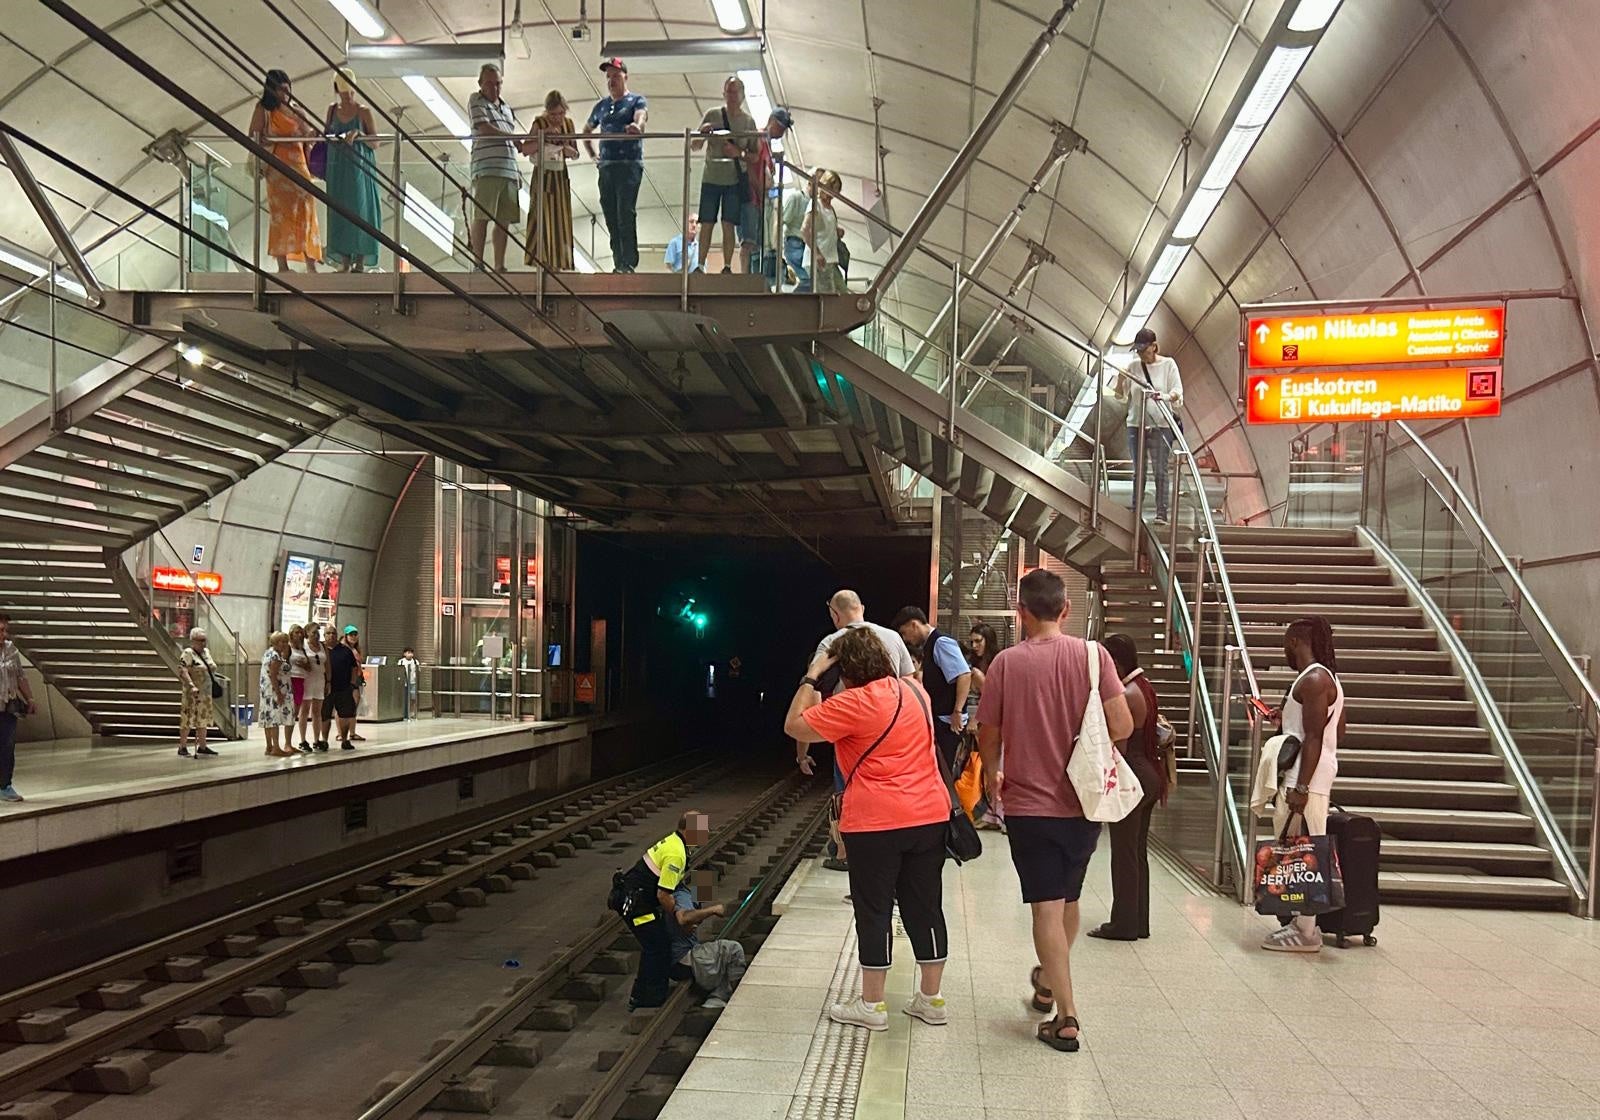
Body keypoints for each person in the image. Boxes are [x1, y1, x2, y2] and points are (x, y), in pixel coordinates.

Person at [975, 568, 1133, 1053]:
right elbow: (1122, 723)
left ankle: (1067, 1016)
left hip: (1028, 805)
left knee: (1045, 906)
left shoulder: (1004, 664)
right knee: (1067, 899)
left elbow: (989, 732)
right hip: (1083, 802)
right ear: (1066, 610)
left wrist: (991, 774)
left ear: (1020, 612)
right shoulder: (1093, 655)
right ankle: (1047, 979)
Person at [786, 627, 951, 1031]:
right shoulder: (917, 693)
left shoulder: (852, 703)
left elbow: (795, 725)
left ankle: (873, 1005)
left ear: (845, 668)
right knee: (926, 906)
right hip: (929, 815)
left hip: (876, 822)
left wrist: (812, 675)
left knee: (874, 909)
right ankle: (931, 1000)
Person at [806, 590, 917, 873]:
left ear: (834, 614)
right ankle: (887, 842)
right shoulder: (892, 637)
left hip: (849, 726)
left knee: (849, 786)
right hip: (893, 724)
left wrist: (804, 746)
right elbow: (910, 680)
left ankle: (847, 849)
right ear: (862, 608)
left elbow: (815, 689)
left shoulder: (831, 642)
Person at [1262, 615, 1346, 953]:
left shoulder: (1312, 680)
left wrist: (1302, 786)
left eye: (1287, 641)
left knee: (1305, 849)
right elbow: (1336, 731)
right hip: (1316, 771)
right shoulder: (1327, 679)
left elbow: (1313, 737)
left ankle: (1308, 930)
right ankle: (1299, 922)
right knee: (1299, 846)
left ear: (1295, 641)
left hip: (1305, 776)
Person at [1087, 633, 1168, 941]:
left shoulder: (1125, 692)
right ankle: (1138, 921)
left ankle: (1122, 924)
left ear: (1115, 662)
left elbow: (1117, 744)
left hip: (1131, 775)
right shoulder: (1144, 687)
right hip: (1149, 774)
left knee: (1123, 854)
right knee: (1136, 853)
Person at [617, 810, 710, 1010]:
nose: (707, 832)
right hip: (636, 905)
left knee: (657, 944)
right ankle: (646, 998)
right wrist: (679, 916)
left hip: (637, 897)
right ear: (690, 830)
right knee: (657, 946)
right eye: (703, 829)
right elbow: (663, 895)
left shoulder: (676, 842)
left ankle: (649, 992)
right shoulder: (677, 854)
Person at [1107, 327, 1184, 522]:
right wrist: (1120, 379)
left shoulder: (1168, 365)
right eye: (1139, 351)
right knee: (1138, 470)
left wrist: (1163, 396)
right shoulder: (1133, 366)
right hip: (1136, 425)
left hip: (1161, 425)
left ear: (1154, 347)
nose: (1141, 354)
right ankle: (1135, 511)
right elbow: (1120, 397)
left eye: (1144, 350)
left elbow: (1177, 392)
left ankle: (1161, 513)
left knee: (1160, 469)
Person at [248, 69, 321, 272]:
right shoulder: (264, 109)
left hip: (300, 166)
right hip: (277, 167)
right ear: (272, 90)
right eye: (281, 90)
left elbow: (308, 138)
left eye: (288, 90)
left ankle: (310, 263)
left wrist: (313, 136)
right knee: (281, 214)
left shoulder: (297, 110)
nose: (285, 95)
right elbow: (254, 134)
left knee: (307, 208)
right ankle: (283, 264)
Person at [583, 58, 647, 274]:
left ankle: (628, 262)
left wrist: (636, 127)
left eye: (616, 76)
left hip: (628, 165)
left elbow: (641, 117)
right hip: (607, 166)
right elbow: (586, 132)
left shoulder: (636, 101)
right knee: (610, 214)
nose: (612, 81)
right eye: (609, 77)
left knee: (624, 213)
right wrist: (593, 156)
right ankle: (618, 261)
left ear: (625, 77)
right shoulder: (601, 106)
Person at [890, 606, 971, 775]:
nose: (906, 639)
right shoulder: (928, 646)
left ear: (914, 625)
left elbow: (963, 674)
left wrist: (957, 710)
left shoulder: (941, 642)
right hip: (939, 718)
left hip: (949, 723)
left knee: (945, 775)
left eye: (905, 633)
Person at [691, 76, 757, 274]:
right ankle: (700, 264)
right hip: (711, 177)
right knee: (707, 222)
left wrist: (739, 153)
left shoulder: (748, 122)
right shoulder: (712, 115)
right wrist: (702, 134)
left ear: (742, 95)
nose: (731, 96)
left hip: (734, 180)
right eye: (728, 91)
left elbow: (755, 156)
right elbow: (694, 145)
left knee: (729, 223)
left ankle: (727, 266)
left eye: (735, 92)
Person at [467, 63, 524, 273]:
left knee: (504, 220)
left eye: (498, 84)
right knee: (482, 215)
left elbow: (508, 136)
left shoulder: (507, 109)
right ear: (481, 84)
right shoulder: (476, 100)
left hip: (508, 168)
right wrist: (512, 137)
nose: (494, 88)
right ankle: (478, 262)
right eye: (490, 84)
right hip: (487, 167)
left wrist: (519, 144)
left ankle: (499, 264)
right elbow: (484, 128)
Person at [323, 69, 380, 272]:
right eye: (344, 92)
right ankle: (344, 260)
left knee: (361, 209)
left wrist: (359, 133)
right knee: (340, 209)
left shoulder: (363, 112)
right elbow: (326, 133)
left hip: (359, 167)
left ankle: (361, 260)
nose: (348, 96)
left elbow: (375, 143)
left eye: (350, 92)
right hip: (338, 167)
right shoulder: (332, 110)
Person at [667, 881, 745, 1008]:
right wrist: (713, 910)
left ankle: (717, 996)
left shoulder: (681, 893)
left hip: (675, 958)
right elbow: (684, 918)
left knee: (719, 956)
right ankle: (736, 997)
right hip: (683, 959)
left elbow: (690, 919)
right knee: (733, 949)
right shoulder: (682, 895)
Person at [522, 89, 577, 270]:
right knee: (541, 216)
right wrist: (543, 135)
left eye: (560, 113)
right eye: (553, 114)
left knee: (561, 217)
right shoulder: (539, 123)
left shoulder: (568, 125)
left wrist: (567, 148)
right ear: (547, 112)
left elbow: (575, 153)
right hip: (543, 176)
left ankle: (560, 262)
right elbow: (526, 149)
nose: (557, 118)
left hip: (560, 176)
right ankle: (542, 261)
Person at [963, 621, 1005, 831]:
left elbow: (990, 697)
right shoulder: (976, 664)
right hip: (975, 715)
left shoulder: (996, 663)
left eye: (978, 641)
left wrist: (975, 720)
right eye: (972, 642)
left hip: (986, 718)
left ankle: (994, 812)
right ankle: (985, 810)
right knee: (979, 766)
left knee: (990, 765)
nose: (974, 645)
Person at [741, 108, 793, 276]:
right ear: (771, 121)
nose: (781, 133)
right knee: (749, 242)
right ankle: (745, 278)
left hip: (761, 201)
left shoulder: (768, 146)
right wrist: (758, 188)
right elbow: (749, 166)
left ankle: (754, 277)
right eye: (780, 128)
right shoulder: (758, 138)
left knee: (758, 242)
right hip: (751, 197)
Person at [0, 615, 38, 802]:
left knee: (7, 746)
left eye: (6, 630)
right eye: (1, 630)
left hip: (7, 706)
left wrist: (29, 698)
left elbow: (21, 676)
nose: (5, 635)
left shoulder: (11, 650)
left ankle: (5, 785)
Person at [177, 627, 221, 759]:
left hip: (205, 692)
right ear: (193, 641)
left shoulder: (206, 652)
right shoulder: (188, 653)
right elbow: (182, 670)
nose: (203, 643)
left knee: (203, 718)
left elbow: (211, 666)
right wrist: (191, 685)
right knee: (188, 717)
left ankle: (202, 745)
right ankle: (182, 746)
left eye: (205, 640)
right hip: (193, 692)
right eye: (201, 640)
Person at [801, 170, 843, 294]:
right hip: (819, 260)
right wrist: (817, 253)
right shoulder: (815, 205)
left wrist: (836, 231)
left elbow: (822, 227)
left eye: (835, 191)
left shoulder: (830, 208)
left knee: (841, 292)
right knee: (828, 296)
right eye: (831, 189)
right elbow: (805, 230)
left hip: (829, 258)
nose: (832, 194)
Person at [323, 625, 362, 750]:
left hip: (344, 687)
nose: (331, 636)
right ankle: (323, 740)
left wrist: (352, 683)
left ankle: (345, 739)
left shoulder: (345, 650)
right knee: (325, 715)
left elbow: (354, 668)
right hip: (326, 688)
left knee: (345, 714)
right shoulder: (321, 650)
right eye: (328, 633)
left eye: (333, 633)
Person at [258, 631, 296, 757]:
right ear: (275, 642)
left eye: (286, 641)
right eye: (282, 641)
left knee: (268, 717)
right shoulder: (275, 657)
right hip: (275, 691)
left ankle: (269, 746)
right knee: (274, 718)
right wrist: (279, 693)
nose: (285, 644)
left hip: (267, 691)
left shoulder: (269, 653)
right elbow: (273, 675)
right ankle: (276, 747)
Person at [295, 624, 331, 752]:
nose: (316, 635)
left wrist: (328, 681)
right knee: (304, 711)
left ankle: (317, 739)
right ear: (307, 634)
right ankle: (303, 740)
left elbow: (327, 664)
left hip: (319, 680)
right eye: (314, 633)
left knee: (317, 711)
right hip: (307, 680)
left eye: (318, 633)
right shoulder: (303, 646)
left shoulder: (322, 646)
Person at [780, 181, 810, 292]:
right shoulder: (795, 197)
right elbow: (783, 220)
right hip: (795, 241)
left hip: (804, 244)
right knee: (807, 279)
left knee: (809, 280)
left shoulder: (813, 203)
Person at [286, 623, 311, 751]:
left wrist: (304, 665)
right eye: (296, 632)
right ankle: (287, 743)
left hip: (301, 680)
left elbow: (309, 667)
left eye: (301, 633)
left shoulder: (302, 649)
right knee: (290, 711)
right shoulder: (288, 648)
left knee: (296, 711)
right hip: (291, 679)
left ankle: (289, 742)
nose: (299, 635)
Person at [398, 646, 420, 720]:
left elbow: (418, 671)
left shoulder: (415, 661)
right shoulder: (401, 661)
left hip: (413, 682)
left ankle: (412, 712)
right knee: (405, 698)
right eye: (408, 653)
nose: (410, 654)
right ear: (404, 654)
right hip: (404, 683)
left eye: (411, 653)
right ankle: (404, 713)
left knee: (413, 698)